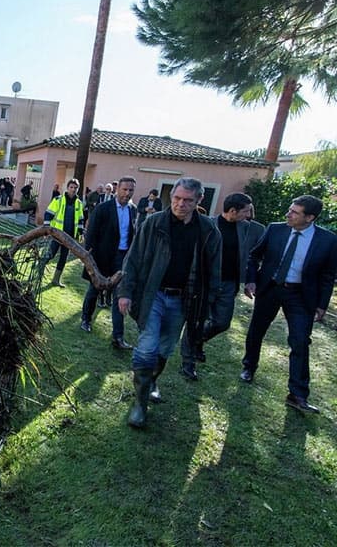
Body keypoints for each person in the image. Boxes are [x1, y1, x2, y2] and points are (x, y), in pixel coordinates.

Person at [117, 177, 221, 429]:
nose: (180, 204)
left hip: (184, 299)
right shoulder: (154, 223)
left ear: (199, 200)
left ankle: (152, 381)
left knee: (164, 348)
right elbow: (134, 258)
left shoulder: (208, 231)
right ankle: (140, 404)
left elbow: (213, 272)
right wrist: (125, 291)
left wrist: (208, 305)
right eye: (176, 198)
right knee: (147, 346)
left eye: (187, 200)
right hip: (153, 294)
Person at [240, 195, 337, 414]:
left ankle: (298, 394)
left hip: (301, 296)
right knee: (256, 331)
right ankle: (249, 367)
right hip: (270, 288)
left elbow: (328, 275)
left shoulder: (328, 240)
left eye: (295, 212)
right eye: (290, 209)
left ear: (310, 217)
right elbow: (254, 256)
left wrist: (322, 305)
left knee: (301, 341)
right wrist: (252, 279)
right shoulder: (275, 229)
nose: (288, 214)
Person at [179, 193, 258, 380]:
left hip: (229, 284)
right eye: (246, 211)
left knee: (222, 322)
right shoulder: (208, 225)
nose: (248, 215)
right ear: (233, 211)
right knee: (196, 321)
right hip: (205, 283)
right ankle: (188, 362)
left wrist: (249, 280)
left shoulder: (247, 229)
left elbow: (253, 256)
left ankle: (199, 340)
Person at [80, 176, 138, 350]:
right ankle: (85, 319)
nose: (127, 193)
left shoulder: (133, 210)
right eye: (125, 189)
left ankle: (118, 337)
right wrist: (89, 259)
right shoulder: (103, 209)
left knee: (119, 296)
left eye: (131, 190)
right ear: (117, 189)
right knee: (94, 289)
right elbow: (91, 234)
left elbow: (132, 234)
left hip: (122, 258)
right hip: (101, 257)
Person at [37, 178, 85, 288]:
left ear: (78, 189)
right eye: (71, 187)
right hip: (57, 234)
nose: (73, 190)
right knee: (50, 254)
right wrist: (46, 229)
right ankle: (38, 274)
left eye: (75, 188)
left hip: (70, 237)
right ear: (67, 188)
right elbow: (48, 214)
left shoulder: (79, 203)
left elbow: (81, 219)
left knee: (63, 258)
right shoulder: (58, 199)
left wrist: (80, 233)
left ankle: (56, 280)